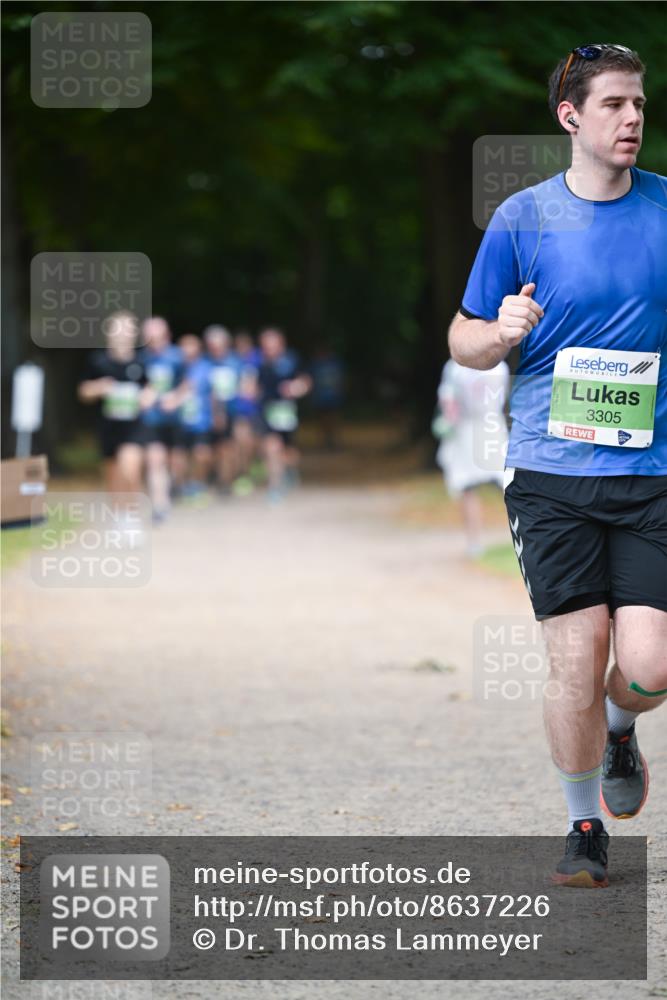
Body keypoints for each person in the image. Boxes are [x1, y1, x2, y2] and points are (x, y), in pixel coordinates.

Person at [448, 44, 666, 888]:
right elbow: (462, 341)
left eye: (639, 103)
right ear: (570, 117)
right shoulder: (523, 219)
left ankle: (621, 723)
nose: (632, 118)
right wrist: (497, 333)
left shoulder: (661, 210)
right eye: (613, 104)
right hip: (550, 476)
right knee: (572, 664)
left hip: (651, 473)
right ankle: (582, 824)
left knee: (648, 665)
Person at [78, 311, 155, 539]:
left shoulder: (141, 361)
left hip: (134, 427)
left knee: (130, 469)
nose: (123, 334)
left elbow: (150, 388)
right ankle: (118, 518)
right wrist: (99, 387)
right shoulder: (98, 361)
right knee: (114, 476)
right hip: (108, 427)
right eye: (118, 329)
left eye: (127, 329)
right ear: (109, 333)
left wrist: (147, 397)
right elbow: (83, 391)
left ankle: (132, 518)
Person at [435, 358, 509, 557]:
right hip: (493, 427)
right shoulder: (500, 367)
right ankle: (520, 534)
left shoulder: (454, 368)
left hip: (467, 430)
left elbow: (448, 402)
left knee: (467, 488)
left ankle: (474, 542)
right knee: (507, 486)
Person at [257, 327, 312, 501]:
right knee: (272, 447)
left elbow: (306, 381)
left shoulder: (292, 359)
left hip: (286, 410)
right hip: (267, 410)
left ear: (281, 344)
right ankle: (275, 486)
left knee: (288, 450)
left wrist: (297, 387)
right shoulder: (259, 363)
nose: (269, 349)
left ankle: (289, 470)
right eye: (265, 345)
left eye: (272, 345)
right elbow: (253, 385)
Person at [140, 316, 185, 522]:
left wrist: (176, 398)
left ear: (166, 335)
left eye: (156, 335)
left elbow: (189, 384)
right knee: (154, 460)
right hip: (151, 418)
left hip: (174, 418)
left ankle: (173, 486)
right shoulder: (140, 359)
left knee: (174, 462)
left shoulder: (178, 357)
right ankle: (160, 504)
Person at [172, 333, 214, 497]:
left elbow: (213, 393)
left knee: (202, 454)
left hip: (201, 420)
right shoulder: (175, 366)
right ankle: (180, 486)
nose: (188, 349)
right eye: (184, 345)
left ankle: (197, 484)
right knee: (178, 457)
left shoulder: (206, 367)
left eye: (192, 345)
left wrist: (217, 414)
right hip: (178, 420)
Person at [203, 325, 241, 494]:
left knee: (227, 448)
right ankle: (211, 476)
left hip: (231, 412)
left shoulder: (236, 362)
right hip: (206, 414)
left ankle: (226, 481)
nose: (216, 348)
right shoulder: (204, 363)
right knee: (209, 449)